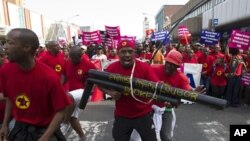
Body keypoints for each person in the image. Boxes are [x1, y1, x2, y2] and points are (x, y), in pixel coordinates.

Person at [0, 28, 72, 141]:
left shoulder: (49, 77)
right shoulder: (5, 70)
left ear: (26, 48)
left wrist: (45, 137)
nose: (5, 47)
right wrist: (5, 124)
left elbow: (61, 111)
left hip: (44, 130)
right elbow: (10, 98)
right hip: (20, 130)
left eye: (10, 43)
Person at [99, 40, 159, 141]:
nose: (127, 55)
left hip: (143, 114)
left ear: (134, 53)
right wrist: (110, 93)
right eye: (123, 52)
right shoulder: (112, 68)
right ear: (118, 53)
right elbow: (98, 82)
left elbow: (157, 87)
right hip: (122, 115)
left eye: (130, 52)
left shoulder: (145, 68)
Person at [152, 50, 205, 141]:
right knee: (148, 136)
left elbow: (188, 89)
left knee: (165, 136)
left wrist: (193, 93)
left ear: (177, 66)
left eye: (173, 65)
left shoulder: (181, 78)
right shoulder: (154, 68)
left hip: (166, 109)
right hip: (149, 107)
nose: (169, 66)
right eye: (168, 63)